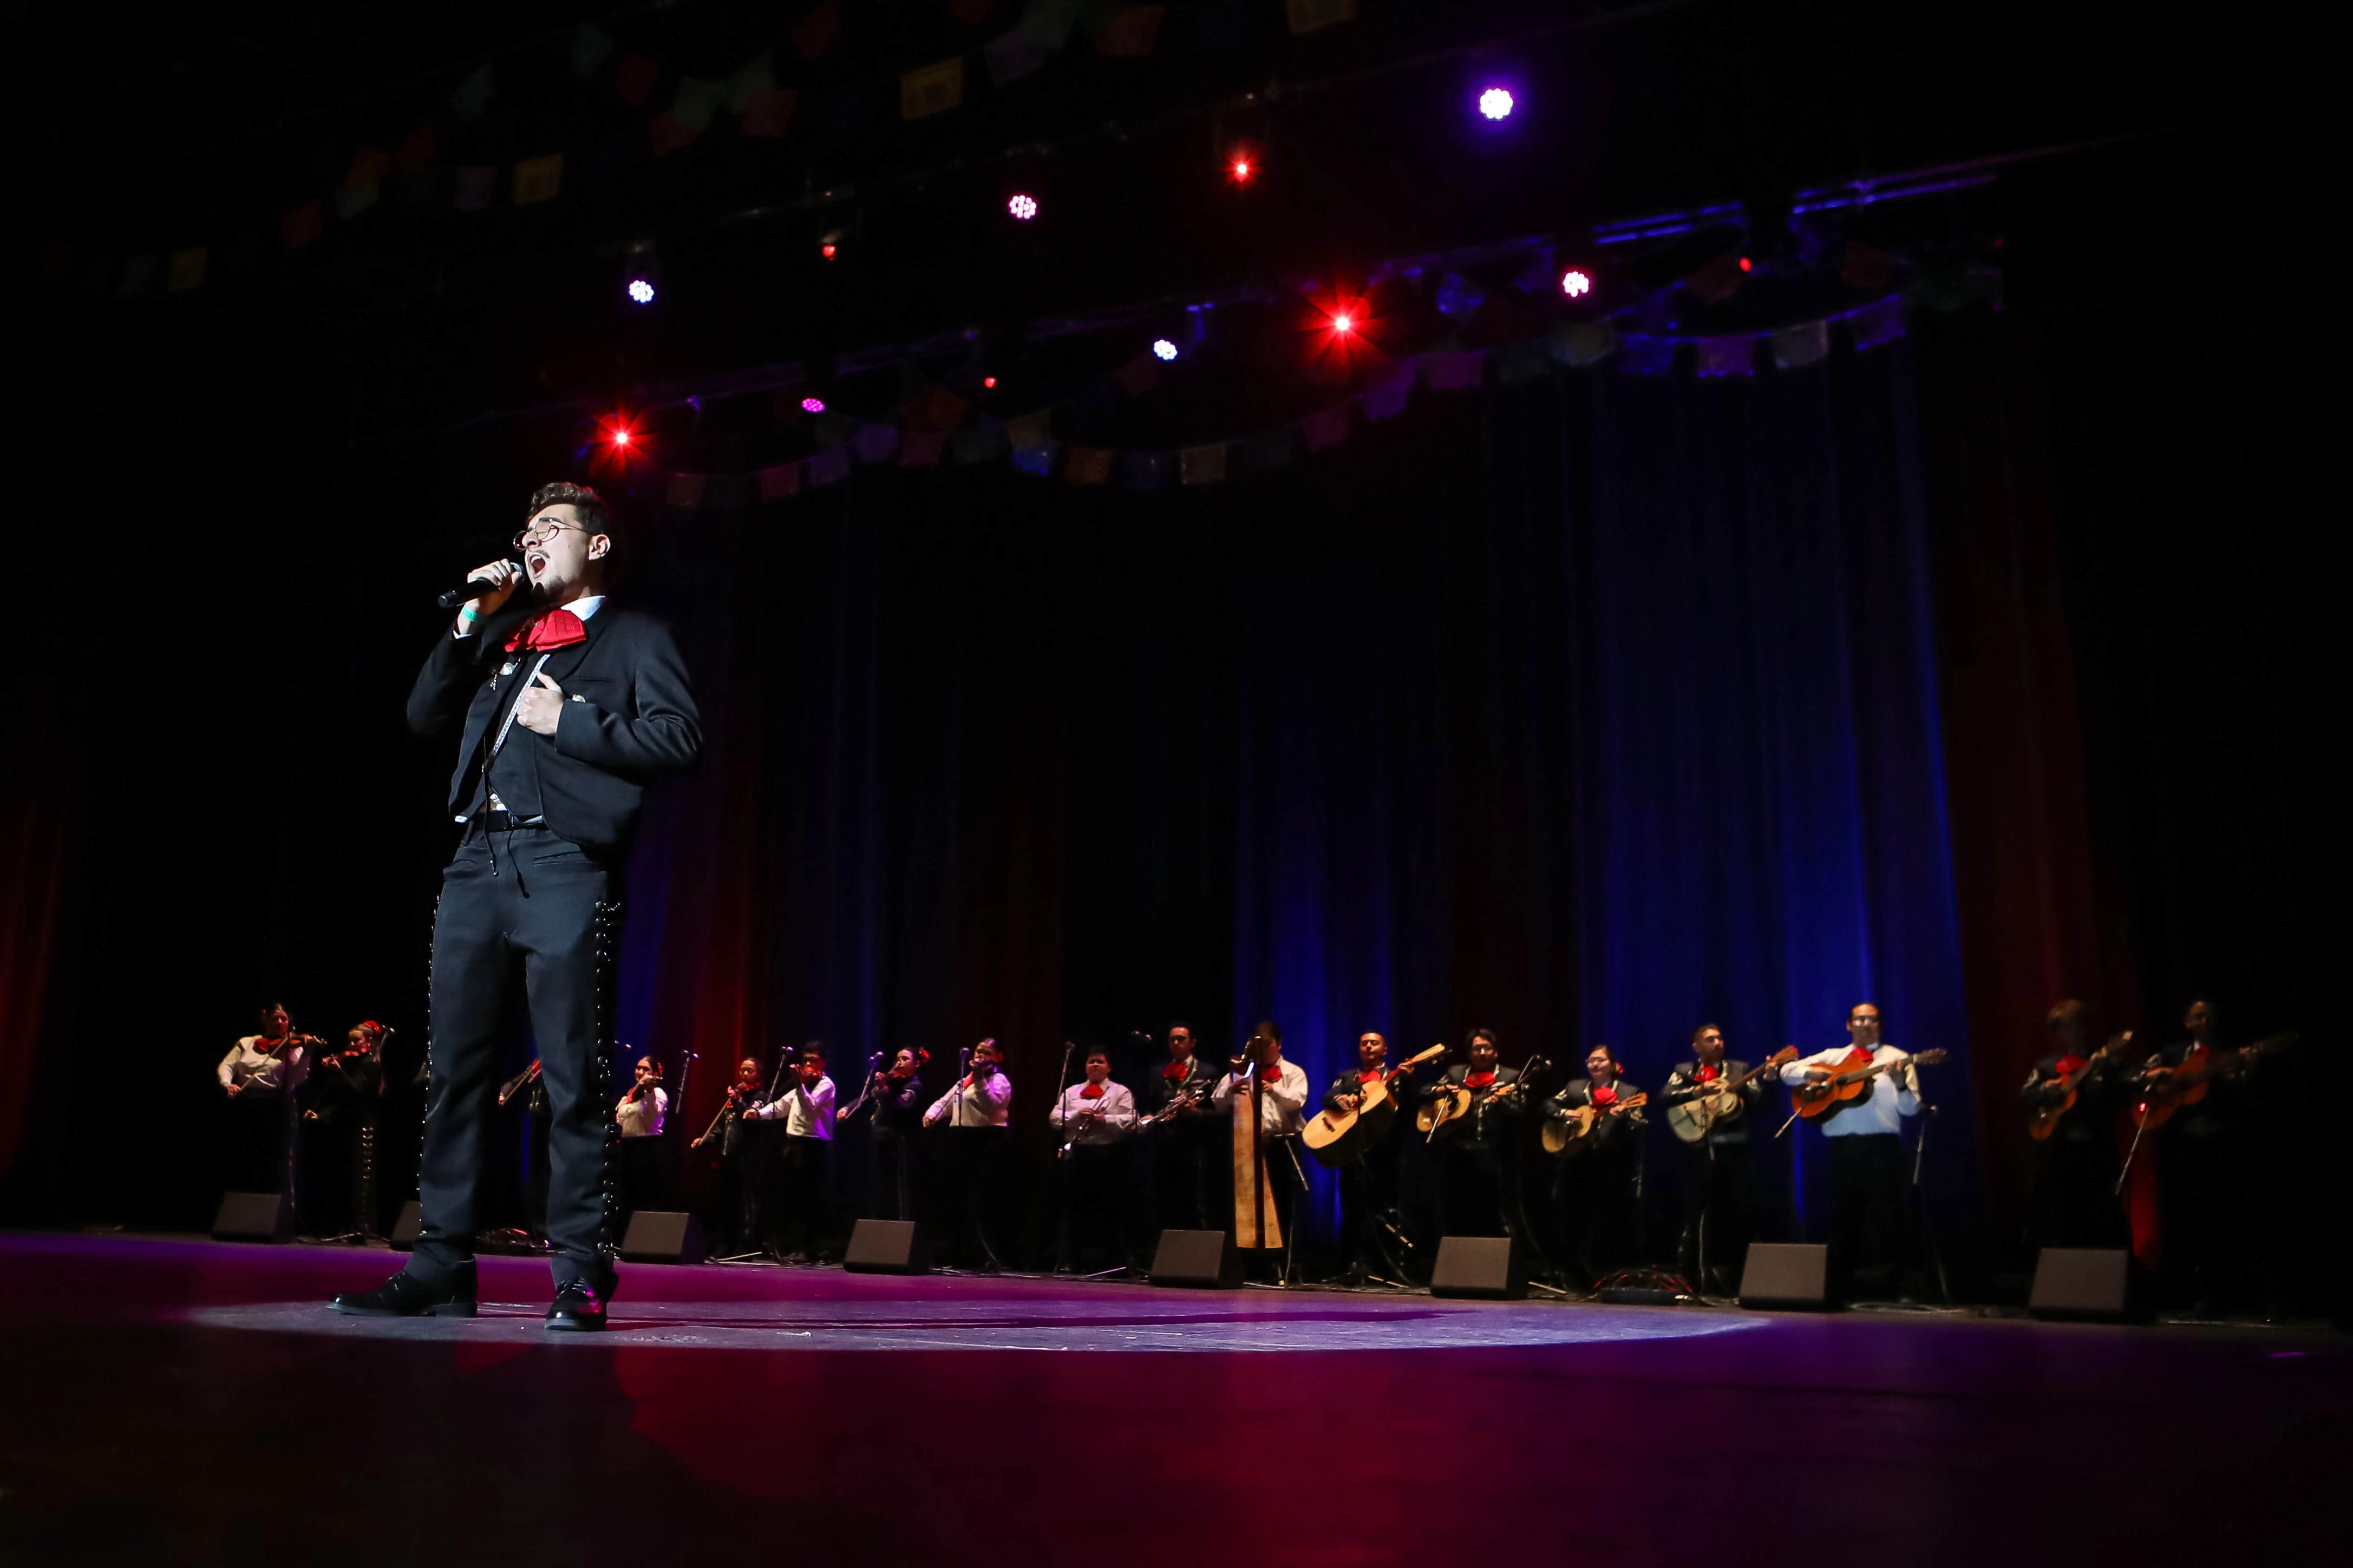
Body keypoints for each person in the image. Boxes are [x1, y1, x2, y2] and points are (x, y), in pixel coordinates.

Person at [333, 480, 701, 1331]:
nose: (533, 539)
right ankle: (439, 1264)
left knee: (573, 1078)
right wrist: (469, 619)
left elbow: (678, 738)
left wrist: (567, 719)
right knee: (454, 1072)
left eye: (552, 528)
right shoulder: (502, 631)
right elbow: (423, 714)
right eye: (526, 528)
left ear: (597, 544)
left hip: (565, 864)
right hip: (475, 863)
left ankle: (578, 1272)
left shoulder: (638, 636)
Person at [1782, 1002, 1919, 1300]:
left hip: (1882, 1148)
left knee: (1889, 1218)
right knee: (1843, 1219)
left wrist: (1901, 1085)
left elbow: (1911, 1110)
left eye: (1873, 1019)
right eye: (1860, 1019)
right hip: (1843, 1149)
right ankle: (1842, 1286)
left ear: (1880, 1025)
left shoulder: (1897, 1058)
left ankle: (1897, 1286)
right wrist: (1812, 1074)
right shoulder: (1833, 1057)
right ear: (1849, 1025)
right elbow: (1786, 1071)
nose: (1866, 1024)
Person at [2138, 998, 2254, 1315]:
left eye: (2209, 1017)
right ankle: (2202, 1293)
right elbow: (2142, 1073)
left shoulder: (2228, 1054)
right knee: (2195, 1220)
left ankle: (2238, 1293)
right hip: (2185, 1144)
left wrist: (2244, 1070)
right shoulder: (2175, 1054)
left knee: (2229, 1218)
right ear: (2188, 1022)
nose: (2204, 1022)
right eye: (2198, 1017)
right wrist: (2162, 1076)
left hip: (2221, 1141)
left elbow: (2242, 1098)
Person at [2017, 1001, 2132, 1251]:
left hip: (2097, 1150)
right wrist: (2044, 1091)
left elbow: (2123, 1097)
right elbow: (2024, 1096)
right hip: (2059, 1151)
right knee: (2063, 1217)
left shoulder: (2102, 1061)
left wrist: (2110, 1070)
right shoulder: (2049, 1066)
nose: (2071, 1032)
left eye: (2075, 1025)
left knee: (2101, 1216)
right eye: (2064, 1028)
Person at [1660, 1025, 1761, 1293]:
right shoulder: (1685, 1071)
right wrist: (1698, 1092)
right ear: (1696, 1046)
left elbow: (1759, 1102)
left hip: (1735, 1151)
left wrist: (1758, 1083)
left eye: (1719, 1038)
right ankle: (1691, 1277)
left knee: (1739, 1212)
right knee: (1697, 1213)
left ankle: (1742, 1279)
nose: (1717, 1042)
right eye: (1710, 1039)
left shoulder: (1741, 1068)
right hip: (1699, 1152)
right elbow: (1665, 1097)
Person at [1212, 1022, 1311, 1280]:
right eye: (1258, 1043)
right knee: (1248, 1207)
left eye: (1266, 1043)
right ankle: (1252, 1263)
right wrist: (1229, 1090)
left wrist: (1273, 1088)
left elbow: (1298, 1101)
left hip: (1283, 1144)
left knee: (1283, 1206)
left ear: (1279, 1044)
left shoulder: (1292, 1072)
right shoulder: (1244, 1071)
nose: (1262, 1048)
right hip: (1250, 1147)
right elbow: (1217, 1101)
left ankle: (1285, 1265)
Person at [1322, 1031, 1421, 1286]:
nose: (1368, 1046)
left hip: (1385, 1155)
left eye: (1374, 1043)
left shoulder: (1396, 1079)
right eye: (1364, 1043)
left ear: (1385, 1050)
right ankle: (1349, 1265)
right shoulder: (1349, 1077)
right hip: (1352, 1153)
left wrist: (1409, 1080)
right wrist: (1339, 1098)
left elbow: (1410, 1109)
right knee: (1351, 1210)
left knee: (1382, 1210)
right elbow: (1327, 1097)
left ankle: (1381, 1267)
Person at [1550, 1045, 1645, 1283]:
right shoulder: (1576, 1087)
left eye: (1601, 1060)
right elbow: (1549, 1104)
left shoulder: (1628, 1092)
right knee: (1574, 1215)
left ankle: (1607, 1272)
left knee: (1606, 1217)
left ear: (1613, 1065)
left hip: (1611, 1164)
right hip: (1576, 1160)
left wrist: (1624, 1117)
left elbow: (1639, 1126)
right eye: (1591, 1060)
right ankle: (1573, 1272)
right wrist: (1565, 1114)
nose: (1595, 1064)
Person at [1425, 1027, 1525, 1242]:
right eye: (1476, 1048)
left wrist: (1503, 1102)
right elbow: (1424, 1092)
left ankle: (1500, 1261)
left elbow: (1520, 1112)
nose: (1482, 1052)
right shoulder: (1456, 1074)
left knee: (1495, 1213)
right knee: (1456, 1209)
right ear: (1469, 1054)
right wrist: (1441, 1091)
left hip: (1493, 1154)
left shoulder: (1510, 1077)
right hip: (1459, 1153)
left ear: (1495, 1053)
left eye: (1487, 1048)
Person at [924, 1039, 1014, 1268]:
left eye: (987, 1052)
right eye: (979, 1051)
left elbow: (990, 1105)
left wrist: (980, 1078)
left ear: (998, 1058)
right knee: (956, 1197)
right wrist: (932, 1114)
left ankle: (981, 1255)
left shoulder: (999, 1080)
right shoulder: (966, 1080)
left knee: (981, 1198)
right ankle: (955, 1252)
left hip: (985, 1141)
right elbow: (947, 1102)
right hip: (961, 1139)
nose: (981, 1054)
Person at [1049, 1048, 1139, 1271]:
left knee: (1110, 1210)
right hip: (1079, 1155)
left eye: (1100, 1062)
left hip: (1107, 1155)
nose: (1095, 1065)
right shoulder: (1071, 1092)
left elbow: (1131, 1120)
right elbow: (1054, 1118)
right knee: (1075, 1210)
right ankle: (1070, 1261)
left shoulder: (1120, 1092)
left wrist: (1103, 1120)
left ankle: (1114, 1263)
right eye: (1091, 1062)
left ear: (1109, 1067)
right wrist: (1077, 1116)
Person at [747, 1046, 836, 1262]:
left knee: (808, 1199)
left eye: (813, 1060)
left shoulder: (826, 1084)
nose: (808, 1065)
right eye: (805, 1060)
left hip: (812, 1145)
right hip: (793, 1144)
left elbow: (810, 1106)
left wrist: (798, 1083)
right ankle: (791, 1246)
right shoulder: (801, 1085)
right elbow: (781, 1106)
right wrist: (759, 1114)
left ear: (823, 1062)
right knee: (792, 1197)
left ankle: (809, 1249)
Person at [218, 1002, 313, 1200]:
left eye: (284, 1019)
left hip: (275, 1106)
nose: (280, 1022)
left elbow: (298, 1078)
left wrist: (308, 1053)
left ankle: (270, 1204)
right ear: (265, 1019)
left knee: (272, 1157)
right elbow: (227, 1065)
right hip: (245, 1104)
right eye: (275, 1018)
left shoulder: (291, 1045)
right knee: (244, 1154)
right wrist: (228, 1084)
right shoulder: (247, 1042)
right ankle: (241, 1201)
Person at [298, 1024, 385, 1239]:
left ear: (369, 1042)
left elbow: (358, 1092)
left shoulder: (372, 1064)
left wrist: (340, 1070)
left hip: (362, 1126)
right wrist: (318, 1111)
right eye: (350, 1040)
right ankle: (333, 1227)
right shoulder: (350, 1063)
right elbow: (336, 1096)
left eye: (356, 1040)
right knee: (338, 1178)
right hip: (342, 1126)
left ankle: (360, 1229)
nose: (351, 1044)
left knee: (360, 1182)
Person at [1148, 1023, 1221, 1236]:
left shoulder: (1208, 1072)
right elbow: (1150, 1104)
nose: (1176, 1043)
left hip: (1195, 1146)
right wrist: (1148, 1116)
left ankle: (1201, 1259)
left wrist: (1195, 1113)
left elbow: (1219, 1114)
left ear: (1193, 1043)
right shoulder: (1156, 1072)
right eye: (1172, 1039)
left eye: (1181, 1039)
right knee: (1164, 1203)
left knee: (1196, 1202)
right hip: (1163, 1145)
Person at [691, 1057, 768, 1255]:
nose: (744, 1074)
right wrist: (704, 1139)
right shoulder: (733, 1098)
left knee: (745, 1203)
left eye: (749, 1070)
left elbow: (751, 1118)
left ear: (757, 1074)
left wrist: (739, 1100)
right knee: (726, 1201)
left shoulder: (759, 1095)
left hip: (747, 1157)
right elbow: (719, 1128)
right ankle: (725, 1243)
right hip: (728, 1157)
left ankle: (746, 1245)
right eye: (742, 1070)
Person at [844, 1048, 927, 1223]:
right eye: (898, 1059)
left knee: (895, 1189)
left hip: (896, 1142)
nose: (899, 1063)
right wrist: (847, 1108)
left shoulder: (913, 1085)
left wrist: (884, 1091)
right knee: (877, 1186)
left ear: (917, 1064)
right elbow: (865, 1098)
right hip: (878, 1139)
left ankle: (898, 1228)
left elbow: (898, 1108)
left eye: (905, 1059)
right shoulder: (892, 1082)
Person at [614, 1053, 668, 1228]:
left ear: (654, 1073)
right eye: (639, 1068)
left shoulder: (658, 1093)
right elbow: (620, 1120)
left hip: (647, 1148)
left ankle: (644, 1241)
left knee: (645, 1195)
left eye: (646, 1069)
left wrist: (649, 1091)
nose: (641, 1071)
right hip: (627, 1148)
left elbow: (652, 1116)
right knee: (625, 1195)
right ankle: (626, 1239)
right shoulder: (628, 1096)